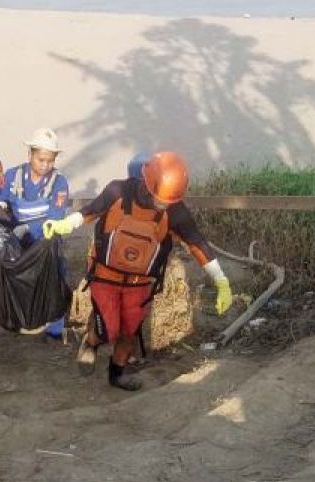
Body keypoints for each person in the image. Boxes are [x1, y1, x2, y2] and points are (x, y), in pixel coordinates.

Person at [44, 152, 234, 391]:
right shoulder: (117, 192)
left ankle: (116, 374)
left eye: (168, 202)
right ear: (147, 182)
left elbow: (197, 243)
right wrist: (64, 224)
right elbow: (89, 212)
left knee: (129, 331)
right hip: (105, 276)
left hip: (140, 283)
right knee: (108, 329)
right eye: (160, 201)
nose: (164, 205)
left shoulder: (174, 209)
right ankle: (92, 341)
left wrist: (221, 280)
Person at [0, 127, 70, 338]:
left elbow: (55, 218)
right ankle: (24, 318)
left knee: (55, 278)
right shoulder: (13, 175)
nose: (46, 165)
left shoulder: (59, 182)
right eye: (41, 160)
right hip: (19, 241)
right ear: (30, 155)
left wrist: (28, 227)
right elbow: (1, 198)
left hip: (45, 241)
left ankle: (55, 327)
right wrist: (0, 210)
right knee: (19, 279)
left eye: (50, 161)